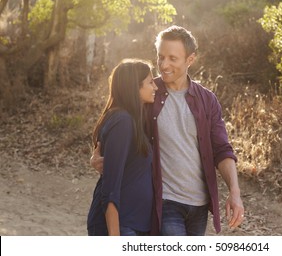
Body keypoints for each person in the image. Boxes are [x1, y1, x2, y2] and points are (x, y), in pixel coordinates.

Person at [91, 25, 244, 235]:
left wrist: (234, 192)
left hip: (199, 205)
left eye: (173, 58)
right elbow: (116, 122)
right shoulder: (146, 93)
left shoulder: (207, 101)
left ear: (190, 59)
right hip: (165, 202)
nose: (163, 65)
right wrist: (99, 156)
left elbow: (222, 149)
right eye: (160, 57)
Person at [87, 59, 158, 236]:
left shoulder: (133, 120)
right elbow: (111, 188)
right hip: (121, 226)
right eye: (150, 82)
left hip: (134, 224)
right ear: (135, 87)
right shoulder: (122, 121)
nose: (155, 87)